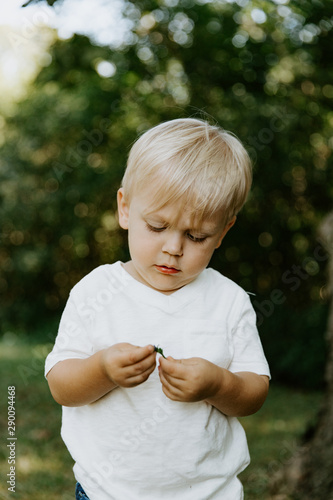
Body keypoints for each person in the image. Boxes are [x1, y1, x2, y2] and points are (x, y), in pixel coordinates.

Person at [45, 118, 270, 500]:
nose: (174, 248)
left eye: (196, 236)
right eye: (157, 226)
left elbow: (254, 392)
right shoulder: (97, 291)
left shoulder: (229, 301)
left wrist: (218, 384)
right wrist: (101, 370)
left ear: (223, 232)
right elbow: (61, 385)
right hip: (106, 492)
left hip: (208, 493)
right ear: (125, 209)